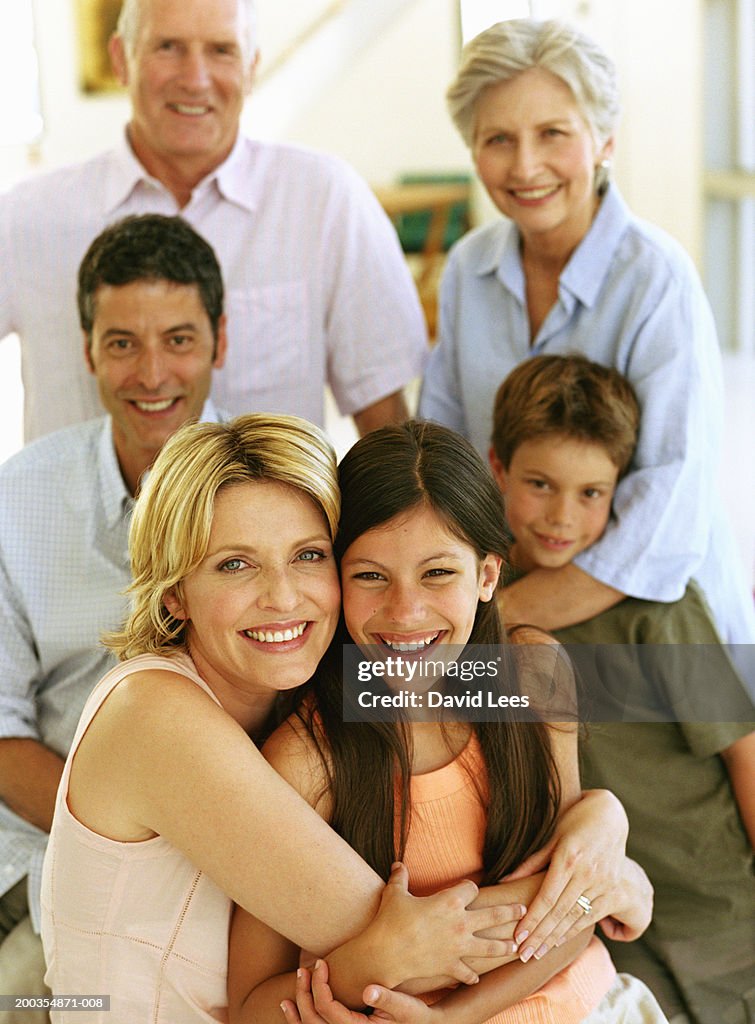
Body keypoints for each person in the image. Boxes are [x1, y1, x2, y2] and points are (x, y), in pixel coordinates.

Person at [40, 411, 576, 1024]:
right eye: (234, 564)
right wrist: (601, 881)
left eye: (308, 556)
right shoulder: (155, 715)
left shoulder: (301, 699)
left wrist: (599, 825)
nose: (284, 597)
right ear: (173, 592)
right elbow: (418, 947)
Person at [228, 419, 666, 1024]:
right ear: (333, 579)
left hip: (587, 1004)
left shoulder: (533, 674)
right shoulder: (306, 761)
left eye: (438, 573)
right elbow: (250, 1005)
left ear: (486, 576)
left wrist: (454, 1019)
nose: (405, 612)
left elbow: (573, 915)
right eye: (370, 575)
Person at [417, 18, 755, 657]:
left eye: (553, 134)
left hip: (657, 626)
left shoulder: (658, 278)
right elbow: (444, 451)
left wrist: (496, 622)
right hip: (507, 598)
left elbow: (670, 508)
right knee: (367, 700)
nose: (525, 166)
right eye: (498, 139)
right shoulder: (468, 266)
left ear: (604, 141)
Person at [0, 0, 427, 444]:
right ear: (120, 59)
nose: (195, 79)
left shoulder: (325, 201)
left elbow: (387, 429)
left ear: (251, 67)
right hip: (75, 515)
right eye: (167, 47)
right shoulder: (29, 217)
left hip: (267, 514)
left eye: (221, 50)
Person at [0, 213, 227, 1012]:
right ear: (89, 349)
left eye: (179, 339)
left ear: (219, 342)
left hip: (239, 857)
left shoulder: (281, 493)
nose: (151, 372)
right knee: (24, 999)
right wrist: (128, 841)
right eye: (122, 342)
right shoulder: (15, 501)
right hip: (55, 853)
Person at [490, 354, 755, 1024]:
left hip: (718, 907)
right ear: (497, 468)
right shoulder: (478, 611)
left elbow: (744, 754)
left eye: (590, 493)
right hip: (598, 922)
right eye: (539, 484)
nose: (561, 516)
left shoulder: (657, 606)